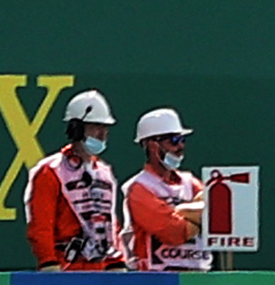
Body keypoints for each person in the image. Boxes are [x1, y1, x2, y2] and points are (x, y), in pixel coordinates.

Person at [21, 88, 129, 268]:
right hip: (66, 267)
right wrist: (48, 262)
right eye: (95, 126)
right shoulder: (51, 171)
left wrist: (116, 262)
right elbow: (41, 225)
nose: (102, 134)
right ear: (76, 128)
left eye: (105, 127)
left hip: (101, 270)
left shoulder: (104, 173)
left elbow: (110, 224)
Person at [121, 107, 218, 271]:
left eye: (182, 140)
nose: (180, 146)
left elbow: (216, 214)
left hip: (198, 277)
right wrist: (198, 218)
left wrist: (178, 211)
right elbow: (175, 232)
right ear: (152, 145)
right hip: (155, 280)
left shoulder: (190, 182)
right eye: (173, 140)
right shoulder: (138, 188)